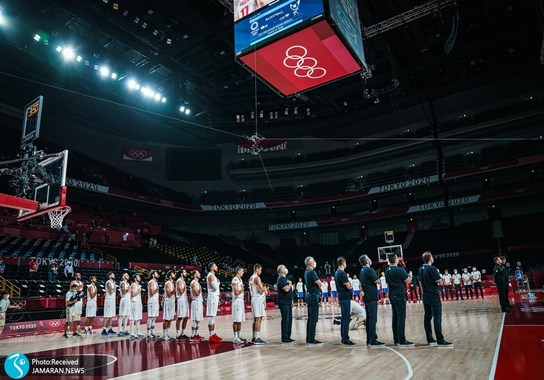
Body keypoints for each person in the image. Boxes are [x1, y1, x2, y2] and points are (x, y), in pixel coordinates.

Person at [419, 251, 453, 347]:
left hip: (425, 296)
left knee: (427, 317)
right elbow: (440, 282)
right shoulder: (432, 268)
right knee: (437, 317)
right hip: (433, 295)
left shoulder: (421, 268)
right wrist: (438, 274)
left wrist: (422, 294)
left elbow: (420, 283)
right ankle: (440, 340)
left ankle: (430, 338)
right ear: (430, 259)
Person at [385, 254, 414, 346]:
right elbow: (408, 281)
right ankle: (402, 339)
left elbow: (388, 283)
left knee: (395, 316)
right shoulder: (399, 270)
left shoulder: (387, 270)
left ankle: (396, 338)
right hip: (399, 295)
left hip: (392, 294)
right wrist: (410, 275)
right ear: (396, 260)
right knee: (401, 316)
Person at [359, 255, 384, 346]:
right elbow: (378, 281)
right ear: (367, 261)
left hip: (366, 297)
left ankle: (369, 339)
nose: (370, 259)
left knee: (369, 318)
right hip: (371, 296)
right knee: (373, 318)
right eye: (368, 258)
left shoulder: (362, 271)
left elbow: (360, 284)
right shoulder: (369, 270)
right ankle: (373, 339)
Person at [335, 256, 354, 345]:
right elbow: (348, 285)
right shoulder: (341, 273)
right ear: (343, 263)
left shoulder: (336, 272)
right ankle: (346, 338)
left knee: (344, 318)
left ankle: (343, 337)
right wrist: (350, 286)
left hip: (341, 297)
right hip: (345, 297)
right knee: (346, 318)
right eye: (345, 262)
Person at [304, 256, 322, 345]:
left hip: (309, 294)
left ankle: (309, 337)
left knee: (310, 317)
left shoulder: (306, 272)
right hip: (313, 295)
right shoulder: (312, 272)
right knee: (314, 318)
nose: (314, 262)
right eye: (313, 261)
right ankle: (311, 339)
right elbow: (319, 283)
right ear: (310, 263)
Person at [249, 263, 268, 345]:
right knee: (258, 319)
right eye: (260, 270)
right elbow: (262, 289)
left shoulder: (251, 278)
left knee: (255, 319)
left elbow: (257, 289)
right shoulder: (257, 278)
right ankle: (257, 338)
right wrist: (265, 289)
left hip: (253, 298)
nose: (260, 271)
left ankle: (254, 337)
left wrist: (262, 289)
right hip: (257, 299)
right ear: (257, 269)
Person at [206, 262, 222, 342]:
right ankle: (210, 335)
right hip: (212, 297)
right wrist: (218, 282)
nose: (217, 267)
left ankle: (213, 334)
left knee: (213, 316)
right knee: (211, 316)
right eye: (215, 266)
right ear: (211, 268)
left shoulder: (213, 276)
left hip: (214, 296)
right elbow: (215, 287)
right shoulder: (210, 275)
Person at [232, 266, 247, 344]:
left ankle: (239, 336)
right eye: (242, 271)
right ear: (238, 271)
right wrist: (242, 289)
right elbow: (236, 292)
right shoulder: (235, 280)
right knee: (236, 319)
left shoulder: (240, 280)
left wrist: (241, 289)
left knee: (239, 319)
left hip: (240, 300)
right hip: (237, 301)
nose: (243, 272)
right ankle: (235, 337)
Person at [175, 268, 190, 341]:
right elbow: (181, 291)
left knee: (186, 317)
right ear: (181, 273)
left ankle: (183, 333)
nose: (186, 273)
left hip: (185, 299)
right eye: (184, 272)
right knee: (180, 317)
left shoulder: (183, 281)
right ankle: (178, 334)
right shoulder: (179, 281)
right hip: (181, 299)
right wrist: (185, 287)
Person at [190, 270, 204, 342]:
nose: (199, 274)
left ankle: (196, 334)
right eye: (198, 273)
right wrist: (200, 289)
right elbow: (197, 293)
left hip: (199, 301)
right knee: (195, 319)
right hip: (195, 301)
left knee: (198, 319)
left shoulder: (197, 283)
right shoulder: (193, 283)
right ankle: (192, 335)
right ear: (195, 275)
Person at [162, 270, 176, 340]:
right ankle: (164, 335)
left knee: (170, 319)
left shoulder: (172, 283)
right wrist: (174, 290)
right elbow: (169, 294)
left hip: (172, 302)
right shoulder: (168, 283)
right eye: (173, 274)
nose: (174, 275)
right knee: (166, 319)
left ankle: (167, 333)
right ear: (170, 276)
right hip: (168, 302)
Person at [102, 272, 117, 336]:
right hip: (108, 300)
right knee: (107, 316)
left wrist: (114, 287)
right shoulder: (108, 282)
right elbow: (110, 291)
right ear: (110, 276)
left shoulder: (113, 283)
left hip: (112, 300)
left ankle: (110, 329)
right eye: (113, 274)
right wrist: (115, 288)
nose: (114, 275)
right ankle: (103, 330)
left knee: (111, 316)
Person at [130, 274, 144, 338]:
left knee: (138, 317)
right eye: (138, 277)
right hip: (134, 302)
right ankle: (131, 332)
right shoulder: (133, 285)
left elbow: (139, 295)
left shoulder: (139, 285)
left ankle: (138, 331)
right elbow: (132, 294)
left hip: (138, 302)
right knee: (133, 318)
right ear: (135, 278)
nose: (140, 277)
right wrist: (138, 292)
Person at [147, 270, 160, 339]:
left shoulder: (156, 282)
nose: (157, 274)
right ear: (153, 275)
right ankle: (148, 333)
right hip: (151, 301)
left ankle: (152, 332)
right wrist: (157, 289)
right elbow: (152, 293)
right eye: (156, 273)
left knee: (154, 317)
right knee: (150, 317)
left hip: (155, 301)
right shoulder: (151, 282)